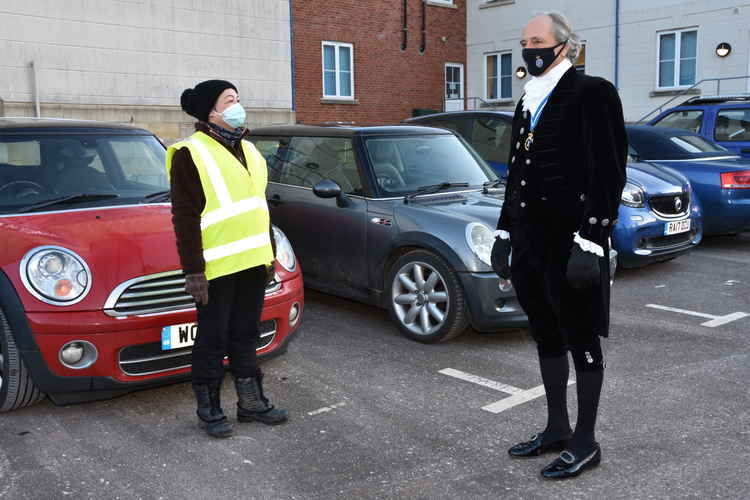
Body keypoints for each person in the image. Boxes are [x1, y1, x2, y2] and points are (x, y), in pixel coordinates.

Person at [491, 12, 627, 479]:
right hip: (532, 244)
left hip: (571, 244)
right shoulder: (528, 99)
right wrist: (504, 233)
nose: (529, 49)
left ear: (565, 45)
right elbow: (516, 176)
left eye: (538, 41)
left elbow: (609, 172)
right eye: (524, 41)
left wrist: (592, 240)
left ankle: (586, 442)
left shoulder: (593, 93)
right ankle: (556, 429)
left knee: (581, 337)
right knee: (546, 335)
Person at [167, 79, 288, 438]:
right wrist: (193, 271)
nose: (238, 106)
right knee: (212, 338)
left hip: (252, 261)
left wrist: (268, 257)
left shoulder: (249, 150)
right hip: (216, 268)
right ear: (211, 111)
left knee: (245, 334)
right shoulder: (191, 152)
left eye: (238, 98)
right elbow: (184, 217)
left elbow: (257, 207)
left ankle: (251, 403)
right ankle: (209, 409)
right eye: (229, 100)